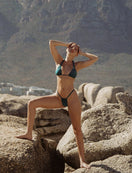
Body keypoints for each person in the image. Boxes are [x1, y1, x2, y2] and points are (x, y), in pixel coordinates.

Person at [16, 40, 98, 168]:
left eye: (75, 49)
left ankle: (82, 161)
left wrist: (82, 52)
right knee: (31, 103)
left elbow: (95, 58)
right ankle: (28, 133)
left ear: (77, 53)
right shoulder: (58, 61)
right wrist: (67, 45)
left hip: (72, 99)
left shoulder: (77, 65)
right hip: (58, 98)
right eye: (71, 47)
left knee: (77, 130)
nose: (72, 48)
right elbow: (51, 43)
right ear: (67, 49)